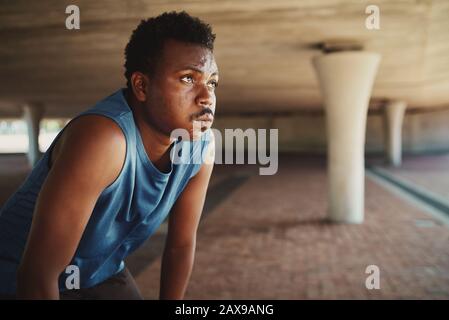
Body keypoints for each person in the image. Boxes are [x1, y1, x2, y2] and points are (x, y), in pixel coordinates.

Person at [0, 11, 218, 299]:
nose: (206, 96)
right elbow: (37, 275)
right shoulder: (104, 139)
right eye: (188, 78)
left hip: (100, 271)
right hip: (18, 277)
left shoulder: (201, 147)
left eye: (212, 82)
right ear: (141, 86)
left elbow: (180, 246)